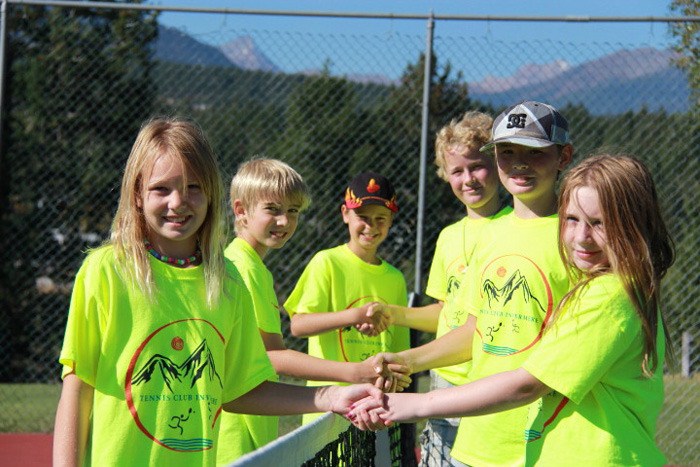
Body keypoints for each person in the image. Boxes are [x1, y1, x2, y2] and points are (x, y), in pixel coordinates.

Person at [52, 117, 383, 467]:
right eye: (162, 188)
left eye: (194, 187)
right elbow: (77, 387)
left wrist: (332, 396)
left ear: (211, 194)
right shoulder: (105, 271)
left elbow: (244, 388)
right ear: (136, 194)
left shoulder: (229, 283)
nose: (179, 202)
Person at [350, 154, 675, 466]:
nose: (581, 237)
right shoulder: (606, 286)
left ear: (633, 222)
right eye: (572, 220)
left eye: (599, 223)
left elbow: (527, 384)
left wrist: (410, 405)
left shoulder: (611, 294)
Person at [368, 100, 574, 466]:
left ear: (563, 157)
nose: (520, 163)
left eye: (534, 152)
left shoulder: (575, 237)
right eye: (508, 152)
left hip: (537, 424)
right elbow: (470, 327)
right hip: (465, 417)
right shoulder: (479, 237)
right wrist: (406, 358)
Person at [217, 158, 410, 464]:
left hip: (251, 429)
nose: (284, 221)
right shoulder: (243, 267)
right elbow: (273, 356)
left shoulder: (253, 266)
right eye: (273, 209)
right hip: (236, 437)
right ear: (241, 210)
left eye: (292, 211)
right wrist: (354, 373)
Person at [378, 111, 510, 465]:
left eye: (477, 166)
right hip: (442, 384)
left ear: (498, 164)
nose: (468, 179)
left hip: (491, 386)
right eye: (457, 171)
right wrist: (392, 315)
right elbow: (445, 312)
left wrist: (407, 360)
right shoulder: (448, 237)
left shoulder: (515, 229)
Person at [284, 171, 411, 423]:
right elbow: (298, 325)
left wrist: (393, 379)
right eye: (362, 217)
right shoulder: (326, 262)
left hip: (375, 409)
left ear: (391, 220)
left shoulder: (395, 278)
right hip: (328, 409)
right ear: (345, 214)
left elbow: (399, 353)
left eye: (381, 218)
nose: (371, 226)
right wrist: (353, 316)